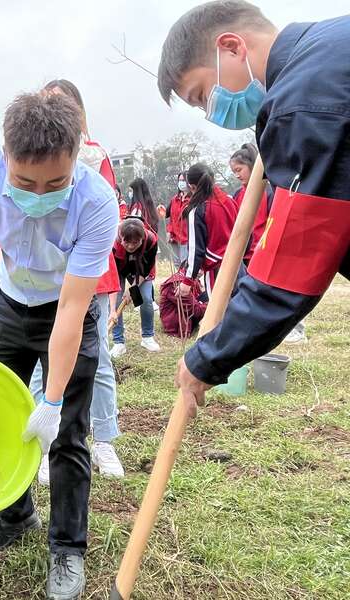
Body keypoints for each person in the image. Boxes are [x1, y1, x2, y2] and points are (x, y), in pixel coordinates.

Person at [0, 91, 119, 600]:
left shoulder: (96, 202)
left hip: (66, 309)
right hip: (9, 303)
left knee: (66, 434)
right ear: (5, 156)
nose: (39, 193)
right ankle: (15, 515)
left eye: (55, 183)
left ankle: (67, 549)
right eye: (25, 182)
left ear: (74, 160)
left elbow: (71, 310)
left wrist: (51, 399)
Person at [157, 1, 349, 414]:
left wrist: (206, 360)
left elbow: (289, 267)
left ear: (231, 47)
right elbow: (273, 245)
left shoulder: (303, 102)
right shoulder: (331, 46)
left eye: (201, 95)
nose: (209, 113)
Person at [41, 78, 125, 479]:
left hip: (92, 275)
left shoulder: (94, 156)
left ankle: (104, 441)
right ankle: (44, 444)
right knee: (46, 359)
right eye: (47, 104)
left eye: (62, 104)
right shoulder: (32, 161)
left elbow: (107, 213)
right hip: (48, 279)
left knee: (99, 360)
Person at [179, 162, 238, 300]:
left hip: (217, 270)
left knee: (218, 316)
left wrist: (188, 280)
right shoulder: (230, 201)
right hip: (238, 265)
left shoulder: (197, 210)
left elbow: (196, 250)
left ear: (192, 186)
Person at [110, 218, 161, 356]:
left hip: (141, 269)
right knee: (118, 300)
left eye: (135, 242)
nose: (131, 246)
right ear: (121, 238)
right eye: (127, 242)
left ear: (142, 238)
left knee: (145, 298)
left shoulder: (151, 240)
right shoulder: (112, 242)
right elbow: (112, 273)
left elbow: (145, 270)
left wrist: (132, 289)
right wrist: (113, 306)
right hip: (118, 269)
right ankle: (118, 342)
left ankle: (147, 337)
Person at [229, 142, 272, 262]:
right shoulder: (237, 194)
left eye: (239, 170)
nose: (237, 175)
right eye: (234, 172)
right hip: (241, 256)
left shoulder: (269, 192)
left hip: (263, 254)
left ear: (250, 165)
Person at [157, 172, 190, 269]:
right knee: (177, 263)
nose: (181, 183)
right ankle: (178, 283)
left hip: (186, 238)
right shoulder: (175, 199)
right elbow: (167, 214)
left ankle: (189, 283)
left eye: (183, 180)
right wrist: (160, 209)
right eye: (179, 180)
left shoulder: (193, 200)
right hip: (174, 237)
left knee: (185, 264)